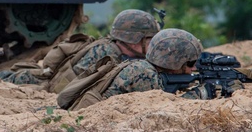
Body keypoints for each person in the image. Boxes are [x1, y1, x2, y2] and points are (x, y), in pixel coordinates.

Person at [0, 8, 161, 92]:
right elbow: (65, 89)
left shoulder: (112, 50)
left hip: (36, 79)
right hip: (31, 84)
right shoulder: (105, 54)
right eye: (149, 39)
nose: (153, 44)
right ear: (132, 39)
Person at [57, 27, 220, 110]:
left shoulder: (143, 67)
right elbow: (161, 111)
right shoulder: (144, 74)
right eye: (190, 63)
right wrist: (201, 94)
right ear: (174, 61)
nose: (193, 69)